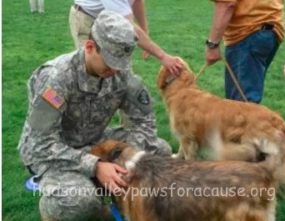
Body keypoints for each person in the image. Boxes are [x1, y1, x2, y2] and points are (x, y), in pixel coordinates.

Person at [18, 11, 172, 221]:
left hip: (94, 139)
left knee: (160, 150)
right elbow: (39, 144)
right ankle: (63, 205)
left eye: (120, 64)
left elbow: (144, 120)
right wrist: (95, 166)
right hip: (57, 150)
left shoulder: (120, 73)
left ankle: (110, 188)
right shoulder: (56, 79)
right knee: (79, 201)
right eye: (110, 64)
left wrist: (130, 162)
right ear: (89, 47)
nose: (115, 71)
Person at [69, 0, 182, 75]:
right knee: (94, 73)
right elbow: (129, 27)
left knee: (122, 75)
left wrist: (145, 31)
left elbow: (136, 1)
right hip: (88, 18)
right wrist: (162, 56)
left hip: (113, 20)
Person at [205, 0, 285, 103]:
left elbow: (226, 3)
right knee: (246, 103)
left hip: (247, 32)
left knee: (242, 107)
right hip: (271, 28)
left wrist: (212, 44)